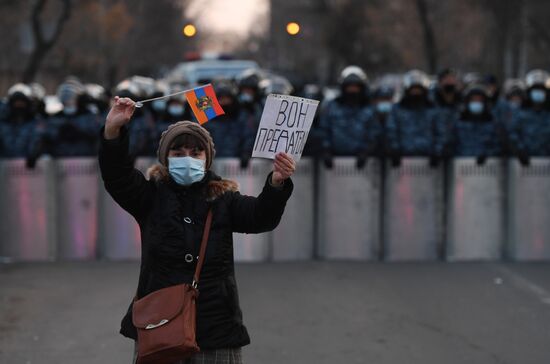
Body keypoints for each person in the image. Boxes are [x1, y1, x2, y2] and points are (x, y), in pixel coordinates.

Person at [99, 96, 295, 364]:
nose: (187, 158)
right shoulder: (150, 196)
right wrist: (113, 131)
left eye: (195, 153)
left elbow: (262, 217)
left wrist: (277, 183)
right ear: (166, 159)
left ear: (207, 158)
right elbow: (117, 175)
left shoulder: (224, 199)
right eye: (178, 153)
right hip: (160, 327)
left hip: (216, 330)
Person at [319, 65, 380, 169]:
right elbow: (324, 130)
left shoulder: (369, 109)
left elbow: (374, 133)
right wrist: (326, 150)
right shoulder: (332, 107)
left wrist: (366, 151)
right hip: (334, 166)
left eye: (356, 87)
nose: (352, 91)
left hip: (364, 167)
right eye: (349, 87)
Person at [385, 70, 442, 166]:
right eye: (413, 90)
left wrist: (437, 152)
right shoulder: (397, 110)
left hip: (429, 162)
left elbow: (440, 132)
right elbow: (391, 131)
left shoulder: (433, 110)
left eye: (418, 90)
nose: (416, 93)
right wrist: (394, 150)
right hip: (403, 160)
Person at [446, 84, 505, 164]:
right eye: (473, 100)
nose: (476, 103)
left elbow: (498, 146)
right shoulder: (459, 122)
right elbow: (451, 145)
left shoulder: (492, 122)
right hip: (461, 166)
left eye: (479, 100)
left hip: (487, 168)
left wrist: (486, 155)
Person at [507, 70, 550, 162]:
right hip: (524, 165)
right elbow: (512, 134)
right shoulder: (519, 113)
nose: (538, 93)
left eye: (541, 90)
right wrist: (519, 150)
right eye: (535, 90)